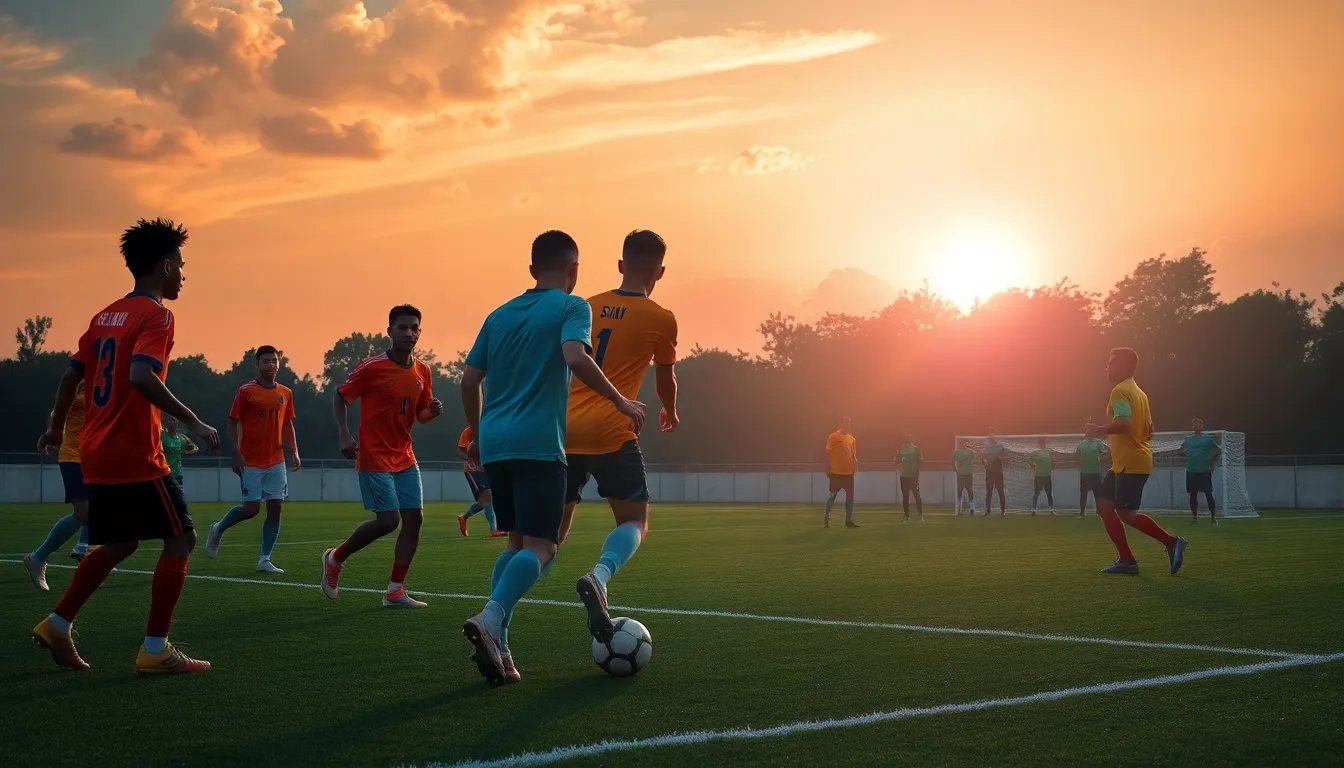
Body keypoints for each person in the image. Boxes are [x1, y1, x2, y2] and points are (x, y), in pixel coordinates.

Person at [31, 217, 220, 673]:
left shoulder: (104, 315)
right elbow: (140, 374)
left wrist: (57, 428)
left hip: (94, 448)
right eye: (179, 263)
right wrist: (192, 420)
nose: (183, 272)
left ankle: (58, 623)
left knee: (120, 543)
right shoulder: (158, 315)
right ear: (164, 265)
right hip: (133, 449)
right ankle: (155, 651)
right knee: (182, 538)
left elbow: (70, 374)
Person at [460, 230, 645, 686]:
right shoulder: (571, 306)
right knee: (543, 548)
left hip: (497, 443)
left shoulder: (498, 314)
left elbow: (468, 380)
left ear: (530, 269)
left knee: (516, 543)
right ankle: (490, 618)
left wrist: (478, 433)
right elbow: (574, 356)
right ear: (574, 270)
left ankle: (501, 645)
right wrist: (621, 401)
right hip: (540, 444)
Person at [558, 230, 679, 644]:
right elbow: (666, 378)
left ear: (620, 265)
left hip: (564, 430)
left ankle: (495, 618)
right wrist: (671, 411)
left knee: (547, 538)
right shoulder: (661, 318)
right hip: (612, 431)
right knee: (634, 521)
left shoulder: (585, 305)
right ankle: (600, 575)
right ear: (660, 271)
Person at [321, 305, 443, 608]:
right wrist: (343, 434)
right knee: (389, 520)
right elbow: (341, 396)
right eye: (402, 327)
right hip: (374, 454)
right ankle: (335, 557)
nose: (409, 333)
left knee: (414, 520)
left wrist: (432, 411)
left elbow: (420, 415)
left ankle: (395, 590)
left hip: (404, 455)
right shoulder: (372, 367)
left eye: (414, 328)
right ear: (390, 331)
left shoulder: (423, 371)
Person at [1084, 348, 1188, 575]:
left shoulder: (1120, 391)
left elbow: (1124, 423)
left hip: (1132, 462)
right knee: (1103, 504)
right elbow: (1149, 429)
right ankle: (1127, 560)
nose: (1107, 368)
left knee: (1125, 513)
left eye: (1111, 363)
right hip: (1124, 462)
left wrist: (1099, 430)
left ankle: (1172, 542)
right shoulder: (1139, 392)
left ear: (1122, 367)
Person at [204, 346, 300, 572]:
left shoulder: (285, 393)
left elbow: (287, 424)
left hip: (276, 460)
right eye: (266, 361)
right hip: (250, 461)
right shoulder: (246, 391)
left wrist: (294, 451)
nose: (271, 365)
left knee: (276, 506)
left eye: (274, 361)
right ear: (257, 365)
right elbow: (231, 422)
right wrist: (235, 453)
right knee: (251, 510)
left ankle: (264, 559)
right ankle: (218, 528)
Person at [24, 383, 91, 590]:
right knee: (83, 513)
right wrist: (51, 435)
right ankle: (39, 556)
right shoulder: (81, 389)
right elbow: (56, 413)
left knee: (95, 509)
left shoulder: (104, 386)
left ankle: (84, 550)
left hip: (92, 458)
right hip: (74, 457)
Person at [457, 426, 505, 538]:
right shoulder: (468, 431)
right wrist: (470, 459)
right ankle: (494, 530)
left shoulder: (489, 430)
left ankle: (464, 517)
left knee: (484, 501)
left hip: (485, 469)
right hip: (472, 470)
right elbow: (459, 451)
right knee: (488, 496)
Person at [1181, 419, 1221, 523]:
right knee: (1193, 494)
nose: (1196, 426)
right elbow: (1181, 450)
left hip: (1204, 470)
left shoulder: (1207, 438)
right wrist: (1185, 454)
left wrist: (1212, 459)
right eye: (1194, 424)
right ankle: (1194, 517)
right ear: (1192, 426)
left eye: (1199, 424)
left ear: (1202, 426)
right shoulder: (1188, 439)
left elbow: (1218, 449)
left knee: (1208, 493)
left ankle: (1213, 517)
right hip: (1191, 470)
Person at [823, 417, 858, 528]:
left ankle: (848, 520)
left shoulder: (852, 439)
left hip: (848, 473)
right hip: (836, 473)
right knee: (832, 496)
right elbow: (828, 453)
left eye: (849, 424)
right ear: (841, 424)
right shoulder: (833, 437)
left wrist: (855, 466)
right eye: (846, 424)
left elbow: (853, 455)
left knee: (850, 497)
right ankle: (827, 516)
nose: (848, 426)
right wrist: (827, 468)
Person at [160, 414, 199, 484]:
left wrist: (187, 452)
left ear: (177, 423)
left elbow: (196, 448)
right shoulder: (162, 435)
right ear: (166, 422)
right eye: (169, 420)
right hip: (164, 474)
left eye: (173, 420)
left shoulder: (182, 438)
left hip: (177, 475)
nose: (172, 423)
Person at [1076, 436, 1108, 517]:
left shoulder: (1098, 443)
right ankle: (1082, 512)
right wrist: (1079, 466)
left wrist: (1102, 458)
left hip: (1096, 472)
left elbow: (1105, 454)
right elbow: (1077, 457)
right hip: (1085, 473)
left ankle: (1099, 512)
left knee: (1098, 494)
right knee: (1083, 494)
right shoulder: (1081, 444)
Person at [896, 435, 924, 522]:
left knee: (917, 495)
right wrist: (899, 461)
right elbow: (896, 460)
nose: (906, 443)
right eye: (905, 441)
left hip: (913, 476)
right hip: (904, 476)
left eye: (908, 441)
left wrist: (921, 459)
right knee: (905, 496)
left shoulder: (916, 449)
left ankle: (920, 514)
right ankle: (906, 514)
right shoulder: (901, 449)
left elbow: (921, 458)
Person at [1029, 437, 1056, 516]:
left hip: (1047, 475)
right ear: (1039, 443)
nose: (1043, 443)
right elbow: (1030, 460)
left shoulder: (1049, 451)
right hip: (1038, 476)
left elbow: (1053, 459)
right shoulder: (1035, 452)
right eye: (1041, 442)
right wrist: (1033, 465)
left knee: (1049, 493)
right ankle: (1034, 510)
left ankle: (1051, 510)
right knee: (1036, 493)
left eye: (1044, 442)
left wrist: (1052, 466)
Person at [983, 431, 1007, 515]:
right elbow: (983, 458)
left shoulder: (1000, 447)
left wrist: (1000, 457)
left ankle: (1003, 511)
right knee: (989, 492)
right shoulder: (986, 448)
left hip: (998, 472)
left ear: (995, 437)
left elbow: (1005, 456)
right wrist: (984, 462)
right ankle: (987, 510)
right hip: (989, 472)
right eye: (989, 436)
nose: (991, 438)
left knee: (1001, 492)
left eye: (992, 436)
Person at [952, 439, 976, 516]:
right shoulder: (956, 452)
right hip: (961, 474)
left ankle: (972, 509)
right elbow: (952, 461)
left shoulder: (970, 451)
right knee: (960, 491)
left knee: (970, 492)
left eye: (963, 443)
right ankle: (959, 509)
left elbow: (975, 457)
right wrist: (955, 469)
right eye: (961, 443)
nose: (962, 444)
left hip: (968, 474)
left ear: (965, 444)